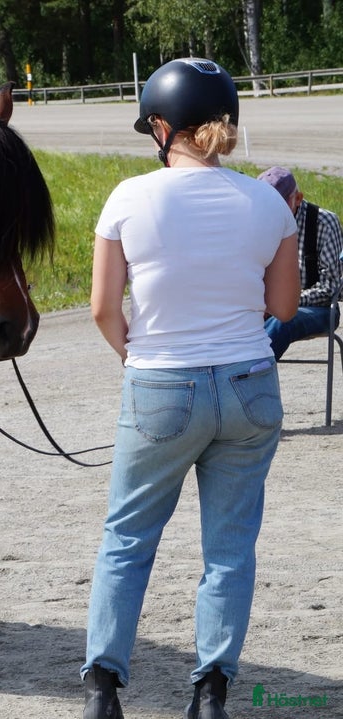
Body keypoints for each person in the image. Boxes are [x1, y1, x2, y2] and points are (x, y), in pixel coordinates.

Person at [81, 57, 300, 719]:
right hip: (249, 387)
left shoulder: (128, 197)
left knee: (128, 538)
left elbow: (101, 306)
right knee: (229, 549)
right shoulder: (268, 201)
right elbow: (285, 307)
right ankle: (211, 694)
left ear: (160, 125)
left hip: (160, 385)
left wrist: (135, 357)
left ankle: (102, 689)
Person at [257, 165, 343, 358]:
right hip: (266, 306)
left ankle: (253, 374)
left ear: (298, 198)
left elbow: (330, 288)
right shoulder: (256, 220)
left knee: (283, 321)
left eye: (278, 203)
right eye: (265, 203)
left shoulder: (324, 222)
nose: (271, 209)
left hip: (317, 309)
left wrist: (279, 303)